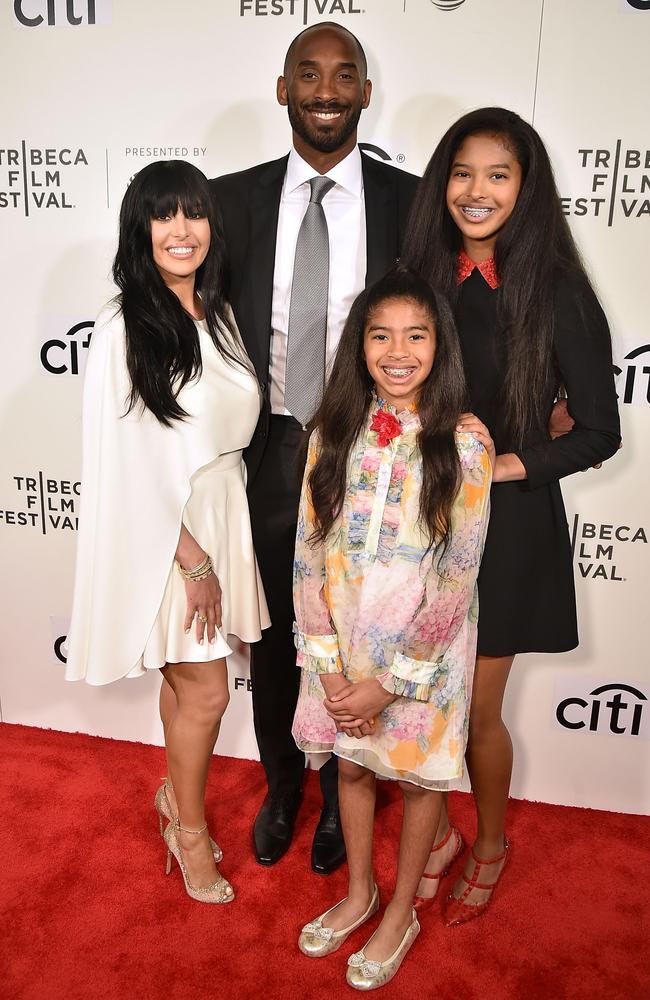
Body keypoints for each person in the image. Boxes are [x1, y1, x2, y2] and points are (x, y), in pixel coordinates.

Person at [401, 107, 621, 924]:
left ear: (526, 189)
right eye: (463, 172)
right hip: (418, 524)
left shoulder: (556, 288)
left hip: (510, 529)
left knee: (476, 712)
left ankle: (490, 842)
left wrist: (500, 467)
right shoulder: (419, 270)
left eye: (499, 174)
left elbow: (600, 428)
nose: (477, 190)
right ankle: (445, 834)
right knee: (422, 704)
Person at [211, 22, 419, 873]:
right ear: (284, 88)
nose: (326, 89)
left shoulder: (411, 203)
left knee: (356, 636)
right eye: (309, 73)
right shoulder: (229, 200)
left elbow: (459, 324)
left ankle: (342, 804)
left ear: (367, 92)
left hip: (365, 453)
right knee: (273, 637)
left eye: (344, 75)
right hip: (261, 452)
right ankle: (283, 786)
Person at [66, 160, 269, 904]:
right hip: (172, 534)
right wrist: (192, 561)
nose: (180, 231)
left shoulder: (215, 312)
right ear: (140, 230)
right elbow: (129, 464)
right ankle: (189, 832)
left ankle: (172, 799)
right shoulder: (126, 326)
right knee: (209, 695)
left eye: (194, 214)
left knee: (187, 689)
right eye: (163, 216)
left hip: (223, 505)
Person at [292, 267, 492, 990]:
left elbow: (455, 579)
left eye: (416, 335)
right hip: (344, 649)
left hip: (421, 657)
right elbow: (307, 556)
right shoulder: (333, 430)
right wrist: (332, 668)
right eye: (382, 335)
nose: (398, 351)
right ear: (359, 344)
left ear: (440, 346)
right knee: (349, 767)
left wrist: (393, 680)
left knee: (414, 781)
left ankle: (401, 909)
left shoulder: (464, 443)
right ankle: (358, 892)